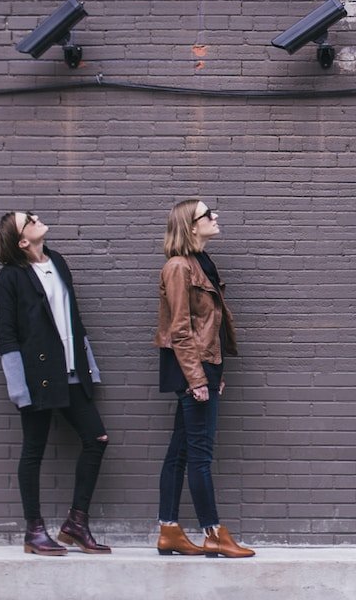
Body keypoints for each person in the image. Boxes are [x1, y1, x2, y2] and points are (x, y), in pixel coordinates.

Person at [0, 210, 111, 556]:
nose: (36, 217)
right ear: (22, 241)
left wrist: (89, 366)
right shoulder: (10, 279)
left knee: (97, 439)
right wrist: (19, 389)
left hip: (72, 373)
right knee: (33, 450)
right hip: (38, 379)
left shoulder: (57, 261)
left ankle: (76, 523)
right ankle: (34, 531)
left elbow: (73, 317)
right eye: (28, 219)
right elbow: (7, 337)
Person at [154, 197, 255, 559]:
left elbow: (208, 327)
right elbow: (180, 329)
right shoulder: (179, 268)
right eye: (207, 214)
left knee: (180, 452)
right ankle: (213, 532)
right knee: (200, 455)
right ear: (191, 225)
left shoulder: (201, 262)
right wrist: (198, 378)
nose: (216, 215)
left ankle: (168, 530)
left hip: (202, 366)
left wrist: (215, 371)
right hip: (190, 369)